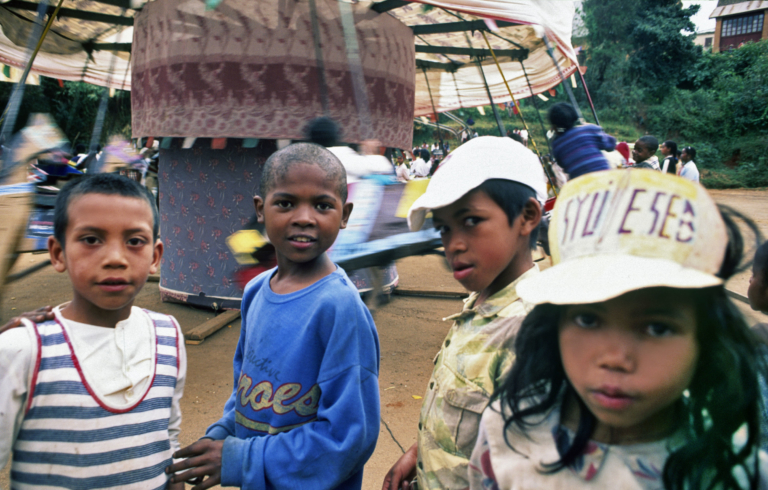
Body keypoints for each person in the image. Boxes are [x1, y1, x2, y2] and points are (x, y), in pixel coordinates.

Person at [468, 169, 768, 489]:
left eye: (657, 327)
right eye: (587, 320)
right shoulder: (508, 429)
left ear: (705, 339)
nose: (614, 359)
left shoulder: (736, 468)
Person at [167, 143, 380, 490]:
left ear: (345, 215)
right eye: (285, 203)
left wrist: (241, 459)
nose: (304, 217)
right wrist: (221, 436)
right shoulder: (256, 292)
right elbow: (245, 393)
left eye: (322, 205)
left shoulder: (340, 308)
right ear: (260, 210)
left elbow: (347, 439)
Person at [0, 173, 186, 489]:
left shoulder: (168, 335)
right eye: (91, 240)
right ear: (58, 253)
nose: (115, 258)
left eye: (134, 241)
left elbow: (168, 437)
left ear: (155, 256)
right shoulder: (22, 350)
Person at [382, 136, 546, 490]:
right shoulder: (478, 306)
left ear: (527, 217)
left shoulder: (531, 336)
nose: (452, 244)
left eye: (471, 220)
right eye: (443, 228)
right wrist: (422, 454)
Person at [304, 117, 393, 184]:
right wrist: (370, 152)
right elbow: (384, 167)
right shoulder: (340, 154)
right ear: (336, 136)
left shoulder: (306, 157)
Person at [548, 102, 616, 179]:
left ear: (554, 126)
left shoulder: (557, 145)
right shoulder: (590, 129)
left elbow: (564, 166)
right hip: (605, 177)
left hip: (581, 183)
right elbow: (611, 144)